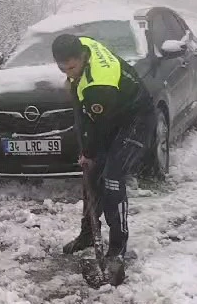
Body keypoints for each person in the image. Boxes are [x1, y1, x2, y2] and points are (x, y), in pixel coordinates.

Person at [51, 34, 156, 263]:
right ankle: (88, 235)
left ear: (82, 58)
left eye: (72, 67)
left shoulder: (99, 86)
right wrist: (89, 157)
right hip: (112, 113)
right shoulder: (83, 43)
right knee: (92, 174)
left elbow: (99, 127)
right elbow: (85, 118)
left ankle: (117, 247)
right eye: (63, 68)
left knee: (112, 177)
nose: (68, 73)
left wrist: (87, 153)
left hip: (136, 119)